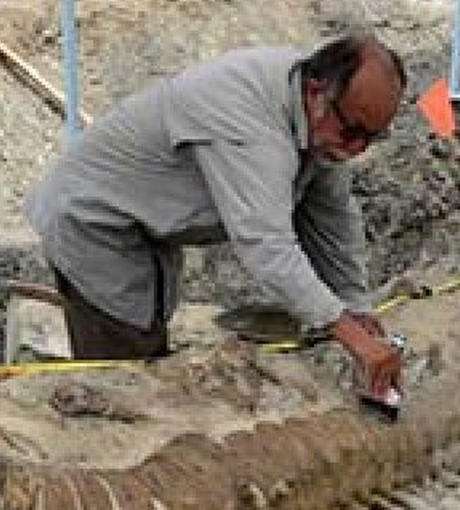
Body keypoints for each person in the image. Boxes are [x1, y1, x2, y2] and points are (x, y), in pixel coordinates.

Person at [24, 32, 406, 397]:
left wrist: (357, 309)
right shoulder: (250, 124)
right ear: (316, 91)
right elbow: (266, 246)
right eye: (352, 130)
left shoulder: (318, 114)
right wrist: (350, 336)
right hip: (93, 225)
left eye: (371, 138)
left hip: (144, 231)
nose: (356, 149)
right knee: (126, 378)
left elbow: (332, 221)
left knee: (146, 352)